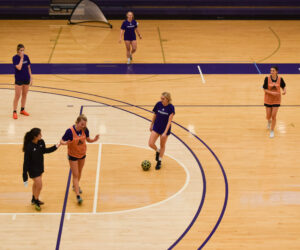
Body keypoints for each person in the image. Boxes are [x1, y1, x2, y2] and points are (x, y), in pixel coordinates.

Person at [60, 114, 99, 204]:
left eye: (85, 124)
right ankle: (78, 196)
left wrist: (94, 140)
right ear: (77, 123)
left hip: (82, 154)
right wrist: (66, 143)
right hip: (72, 155)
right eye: (82, 124)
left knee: (80, 172)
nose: (83, 126)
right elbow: (61, 141)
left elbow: (88, 140)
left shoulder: (85, 130)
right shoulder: (69, 131)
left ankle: (75, 186)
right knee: (76, 174)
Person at [23, 128, 60, 211]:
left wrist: (58, 145)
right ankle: (36, 201)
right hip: (32, 169)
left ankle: (33, 198)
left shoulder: (41, 142)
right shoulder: (29, 147)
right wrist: (24, 175)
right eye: (40, 134)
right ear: (35, 136)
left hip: (40, 167)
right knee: (39, 185)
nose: (41, 135)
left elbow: (45, 151)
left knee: (36, 184)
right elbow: (26, 162)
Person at [148, 92, 175, 170]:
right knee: (150, 143)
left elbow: (169, 121)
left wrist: (165, 132)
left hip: (165, 129)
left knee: (162, 145)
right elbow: (155, 115)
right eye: (161, 98)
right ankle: (157, 151)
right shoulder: (158, 104)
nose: (161, 100)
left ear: (167, 99)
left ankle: (159, 162)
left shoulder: (171, 107)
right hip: (156, 127)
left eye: (163, 99)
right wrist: (151, 124)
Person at [263, 66, 286, 138]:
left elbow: (283, 86)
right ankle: (268, 121)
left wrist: (284, 90)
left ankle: (272, 131)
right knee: (268, 116)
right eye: (271, 70)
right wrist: (271, 93)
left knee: (273, 116)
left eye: (273, 70)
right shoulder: (267, 79)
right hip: (268, 99)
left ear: (276, 72)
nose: (271, 72)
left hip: (276, 100)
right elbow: (264, 89)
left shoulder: (280, 79)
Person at [12, 44, 32, 119]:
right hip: (18, 79)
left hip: (26, 78)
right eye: (21, 50)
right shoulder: (15, 58)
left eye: (23, 50)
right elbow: (19, 68)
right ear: (18, 51)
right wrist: (21, 58)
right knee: (17, 96)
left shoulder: (26, 57)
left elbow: (29, 67)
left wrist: (31, 77)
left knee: (24, 94)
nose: (22, 52)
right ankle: (14, 111)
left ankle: (22, 109)